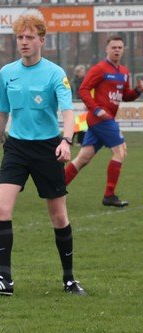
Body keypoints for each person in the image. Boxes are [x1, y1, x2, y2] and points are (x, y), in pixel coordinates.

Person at [0, 12, 84, 297]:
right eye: (20, 37)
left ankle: (69, 279)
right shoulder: (7, 73)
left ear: (41, 40)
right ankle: (5, 279)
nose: (24, 42)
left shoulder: (55, 73)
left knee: (59, 216)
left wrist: (66, 141)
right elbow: (2, 114)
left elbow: (68, 112)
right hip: (16, 147)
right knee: (0, 208)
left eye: (29, 37)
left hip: (48, 149)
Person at [64, 36, 143, 208]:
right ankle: (109, 195)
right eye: (113, 47)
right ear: (107, 49)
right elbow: (83, 89)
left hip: (105, 120)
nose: (117, 50)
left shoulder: (124, 72)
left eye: (119, 47)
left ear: (123, 49)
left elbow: (125, 96)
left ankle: (56, 187)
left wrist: (137, 90)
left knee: (83, 158)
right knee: (121, 151)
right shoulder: (99, 69)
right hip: (100, 119)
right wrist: (96, 109)